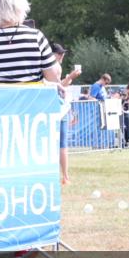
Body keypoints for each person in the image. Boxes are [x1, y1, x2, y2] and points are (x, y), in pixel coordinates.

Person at [51, 42, 80, 184]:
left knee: (57, 143)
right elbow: (59, 87)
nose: (62, 55)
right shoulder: (55, 67)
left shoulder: (50, 67)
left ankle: (64, 176)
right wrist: (71, 77)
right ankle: (65, 177)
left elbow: (59, 86)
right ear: (54, 54)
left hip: (54, 106)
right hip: (58, 107)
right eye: (60, 53)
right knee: (62, 144)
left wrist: (69, 78)